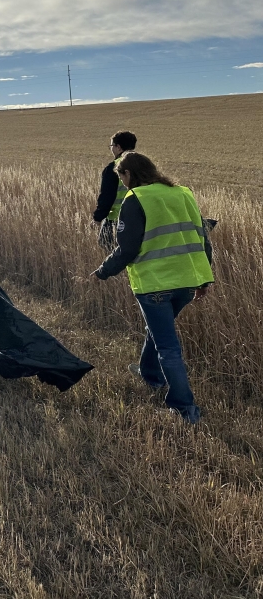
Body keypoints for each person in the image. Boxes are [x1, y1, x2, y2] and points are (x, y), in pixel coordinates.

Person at [91, 152, 213, 423]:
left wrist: (103, 272)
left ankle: (185, 408)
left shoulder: (136, 199)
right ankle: (150, 375)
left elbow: (127, 249)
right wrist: (205, 278)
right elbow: (202, 236)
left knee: (168, 346)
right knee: (157, 330)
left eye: (121, 176)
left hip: (155, 283)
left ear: (129, 174)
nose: (122, 183)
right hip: (187, 280)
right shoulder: (182, 193)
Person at [92, 130, 137, 248]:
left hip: (116, 219)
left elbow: (107, 196)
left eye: (112, 146)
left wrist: (98, 217)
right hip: (140, 216)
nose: (111, 149)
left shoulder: (113, 168)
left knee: (108, 248)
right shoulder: (143, 165)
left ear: (118, 147)